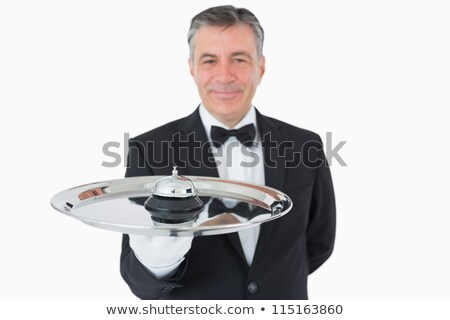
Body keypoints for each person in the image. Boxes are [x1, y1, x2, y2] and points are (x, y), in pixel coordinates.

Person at [120, 5, 336, 299]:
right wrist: (164, 253)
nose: (225, 75)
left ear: (260, 66)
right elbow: (138, 278)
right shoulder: (148, 150)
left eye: (239, 59)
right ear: (191, 68)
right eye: (210, 60)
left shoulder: (305, 146)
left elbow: (319, 242)